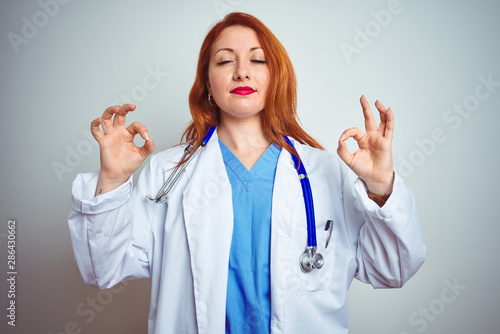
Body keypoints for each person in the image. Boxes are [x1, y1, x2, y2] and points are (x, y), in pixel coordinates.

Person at [68, 12, 426, 334]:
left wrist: (380, 186)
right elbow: (104, 269)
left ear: (274, 77)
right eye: (225, 61)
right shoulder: (168, 172)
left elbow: (392, 269)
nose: (242, 71)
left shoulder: (323, 171)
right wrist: (112, 180)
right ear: (207, 82)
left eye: (257, 60)